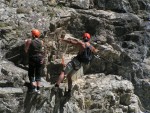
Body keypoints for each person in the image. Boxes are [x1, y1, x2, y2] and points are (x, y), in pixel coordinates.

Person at [53, 32, 99, 96]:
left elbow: (71, 42)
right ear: (89, 39)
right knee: (69, 76)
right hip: (79, 65)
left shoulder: (82, 43)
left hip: (75, 61)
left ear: (83, 37)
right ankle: (69, 91)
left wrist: (63, 39)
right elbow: (96, 51)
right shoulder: (91, 47)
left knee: (63, 72)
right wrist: (96, 52)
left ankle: (56, 87)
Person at [25, 29, 44, 94]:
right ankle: (38, 90)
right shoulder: (41, 42)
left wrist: (26, 43)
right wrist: (42, 59)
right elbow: (42, 51)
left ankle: (33, 89)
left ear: (33, 35)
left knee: (31, 73)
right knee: (38, 73)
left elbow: (26, 50)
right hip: (40, 58)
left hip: (33, 58)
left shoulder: (30, 41)